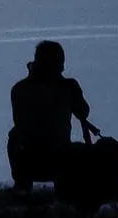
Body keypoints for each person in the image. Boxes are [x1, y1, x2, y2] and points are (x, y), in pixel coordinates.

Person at [7, 39, 92, 192]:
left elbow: (19, 121)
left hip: (27, 160)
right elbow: (83, 112)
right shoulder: (67, 87)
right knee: (78, 150)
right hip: (60, 159)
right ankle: (65, 191)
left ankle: (22, 187)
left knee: (14, 136)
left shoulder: (19, 89)